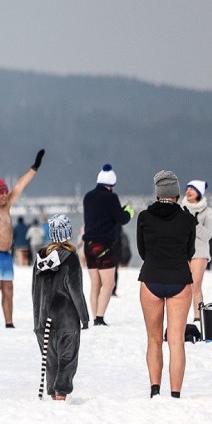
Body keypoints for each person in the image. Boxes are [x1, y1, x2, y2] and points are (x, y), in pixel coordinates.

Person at [137, 171, 195, 399]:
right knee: (176, 341)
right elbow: (189, 252)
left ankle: (155, 389)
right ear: (176, 194)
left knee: (153, 339)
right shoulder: (187, 219)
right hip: (180, 280)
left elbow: (142, 252)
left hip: (151, 279)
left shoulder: (143, 218)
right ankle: (175, 393)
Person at [0, 148, 45, 328]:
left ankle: (9, 323)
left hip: (6, 254)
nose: (4, 196)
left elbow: (20, 185)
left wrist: (35, 167)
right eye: (1, 193)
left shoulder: (6, 206)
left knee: (8, 289)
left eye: (5, 193)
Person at [32, 214, 89, 401]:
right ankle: (61, 395)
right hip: (67, 320)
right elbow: (76, 291)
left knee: (50, 361)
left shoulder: (40, 259)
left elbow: (35, 291)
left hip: (43, 320)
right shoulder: (70, 258)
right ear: (67, 233)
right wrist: (84, 317)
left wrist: (38, 321)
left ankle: (52, 397)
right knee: (67, 359)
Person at [82, 164, 133, 327]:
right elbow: (122, 218)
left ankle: (94, 315)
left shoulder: (88, 197)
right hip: (103, 245)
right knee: (109, 284)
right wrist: (129, 211)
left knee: (95, 283)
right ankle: (99, 318)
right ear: (111, 185)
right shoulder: (111, 198)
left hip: (88, 245)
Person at [178, 180, 212, 325]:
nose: (188, 191)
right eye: (187, 188)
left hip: (200, 252)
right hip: (183, 252)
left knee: (195, 284)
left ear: (199, 193)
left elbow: (207, 235)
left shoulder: (208, 212)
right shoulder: (180, 208)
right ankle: (181, 314)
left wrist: (194, 223)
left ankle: (198, 316)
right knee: (184, 285)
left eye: (192, 189)